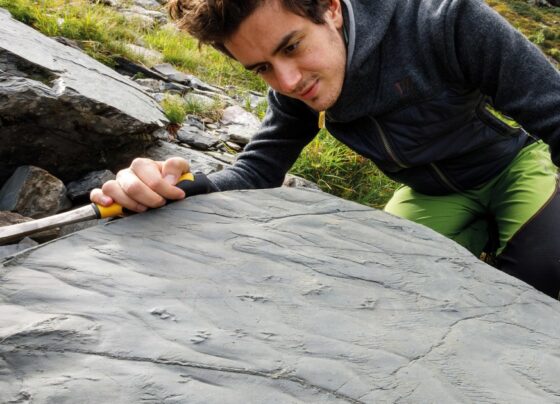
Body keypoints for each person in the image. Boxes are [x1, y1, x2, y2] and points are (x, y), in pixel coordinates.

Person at [91, 0, 560, 298]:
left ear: (331, 9)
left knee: (544, 276)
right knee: (376, 294)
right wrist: (177, 187)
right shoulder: (291, 86)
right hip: (428, 192)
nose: (288, 81)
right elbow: (257, 171)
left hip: (512, 167)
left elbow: (554, 114)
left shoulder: (446, 20)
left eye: (292, 46)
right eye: (263, 69)